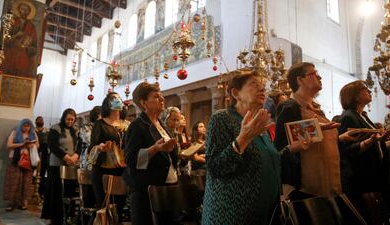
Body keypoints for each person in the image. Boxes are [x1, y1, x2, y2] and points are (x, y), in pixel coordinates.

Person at [202, 71, 307, 225]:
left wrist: (291, 149)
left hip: (267, 213)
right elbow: (215, 167)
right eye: (254, 84)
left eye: (263, 86)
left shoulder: (259, 123)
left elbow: (269, 161)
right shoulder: (222, 118)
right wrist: (243, 138)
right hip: (233, 214)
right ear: (235, 93)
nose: (262, 89)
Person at [275, 62, 342, 200]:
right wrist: (316, 128)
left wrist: (342, 138)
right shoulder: (290, 108)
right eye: (314, 74)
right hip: (307, 192)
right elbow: (282, 146)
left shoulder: (318, 110)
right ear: (300, 80)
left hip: (330, 187)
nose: (320, 77)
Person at [124, 82, 178, 225]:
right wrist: (155, 148)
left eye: (161, 95)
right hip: (146, 191)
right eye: (156, 97)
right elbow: (130, 160)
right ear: (143, 103)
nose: (162, 99)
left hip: (167, 187)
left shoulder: (162, 125)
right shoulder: (137, 126)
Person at [338, 81, 390, 195]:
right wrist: (373, 140)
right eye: (365, 89)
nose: (369, 91)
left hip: (374, 171)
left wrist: (384, 140)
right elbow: (347, 150)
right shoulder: (348, 116)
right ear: (356, 96)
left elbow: (374, 142)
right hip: (361, 175)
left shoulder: (362, 115)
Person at [88, 93, 128, 221]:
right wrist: (100, 148)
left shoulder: (127, 124)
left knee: (120, 206)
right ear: (107, 104)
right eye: (113, 99)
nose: (117, 100)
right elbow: (92, 147)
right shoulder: (100, 124)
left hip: (121, 170)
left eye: (119, 98)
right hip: (102, 170)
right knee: (104, 207)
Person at [41, 108, 80, 225]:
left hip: (71, 165)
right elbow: (52, 146)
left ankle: (68, 216)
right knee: (56, 191)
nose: (70, 122)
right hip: (57, 164)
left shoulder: (75, 130)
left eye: (72, 119)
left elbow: (79, 145)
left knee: (69, 191)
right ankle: (55, 217)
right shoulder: (55, 128)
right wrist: (66, 157)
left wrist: (76, 156)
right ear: (63, 118)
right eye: (68, 119)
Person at [4, 119, 39, 211]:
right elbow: (8, 145)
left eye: (28, 126)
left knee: (26, 182)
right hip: (15, 160)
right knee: (14, 181)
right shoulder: (15, 132)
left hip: (28, 160)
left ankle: (23, 202)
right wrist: (21, 144)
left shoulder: (33, 134)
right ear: (21, 125)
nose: (26, 128)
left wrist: (32, 145)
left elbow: (38, 145)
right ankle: (11, 203)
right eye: (24, 125)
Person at [1, 1, 38, 76]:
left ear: (29, 12)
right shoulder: (11, 22)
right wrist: (16, 36)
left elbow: (34, 47)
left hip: (24, 59)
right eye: (22, 9)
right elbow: (4, 40)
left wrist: (28, 47)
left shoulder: (31, 27)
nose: (24, 12)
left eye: (26, 10)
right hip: (10, 55)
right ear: (18, 10)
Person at [79, 106, 101, 171]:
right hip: (88, 159)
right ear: (95, 116)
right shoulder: (86, 127)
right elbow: (90, 141)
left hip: (100, 160)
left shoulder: (101, 127)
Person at [34, 116, 49, 197]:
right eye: (38, 120)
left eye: (41, 120)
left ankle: (40, 193)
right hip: (34, 155)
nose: (40, 121)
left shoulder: (47, 131)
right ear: (36, 122)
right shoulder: (33, 131)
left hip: (44, 156)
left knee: (42, 175)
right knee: (33, 174)